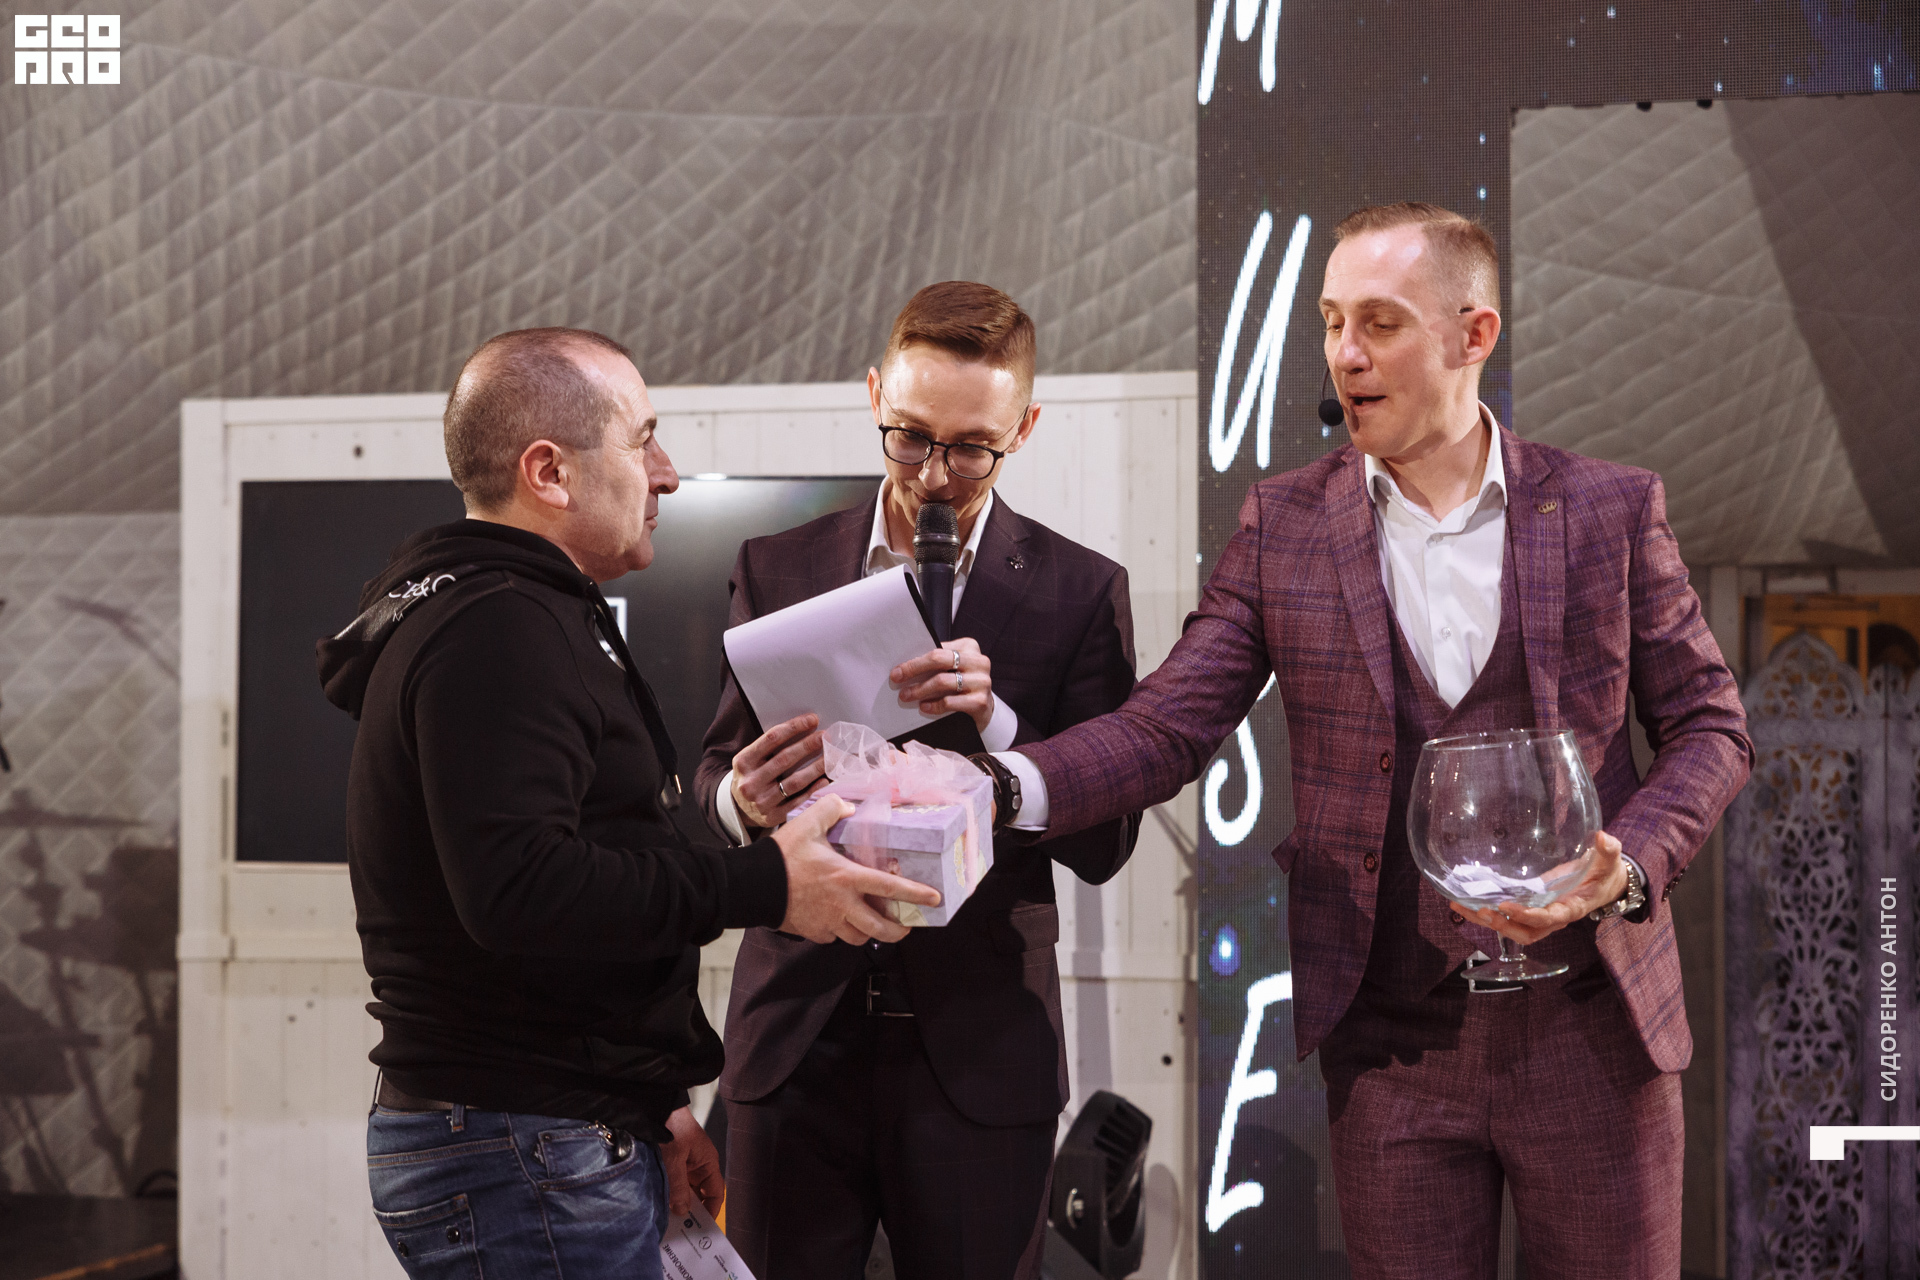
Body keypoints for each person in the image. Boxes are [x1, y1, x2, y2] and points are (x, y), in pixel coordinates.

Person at [1000, 205, 1753, 1278]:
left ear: (1473, 334)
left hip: (1593, 1031)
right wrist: (1001, 785)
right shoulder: (1285, 526)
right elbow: (1166, 726)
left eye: (1381, 323)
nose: (1344, 353)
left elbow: (1711, 725)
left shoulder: (1608, 509)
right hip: (1394, 1043)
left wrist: (1626, 863)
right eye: (1330, 320)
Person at [318, 327, 938, 1279]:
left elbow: (577, 884)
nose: (668, 473)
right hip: (526, 1146)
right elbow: (522, 891)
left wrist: (654, 1106)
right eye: (643, 439)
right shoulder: (498, 627)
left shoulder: (513, 612)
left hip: (553, 1132)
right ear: (549, 473)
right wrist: (769, 884)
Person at [693, 282, 1142, 1279]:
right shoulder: (777, 563)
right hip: (793, 1038)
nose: (934, 476)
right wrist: (739, 801)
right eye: (909, 438)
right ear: (873, 398)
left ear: (1024, 428)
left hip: (982, 1052)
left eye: (972, 448)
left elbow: (1108, 842)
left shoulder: (1079, 591)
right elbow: (715, 772)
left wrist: (1001, 725)